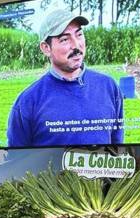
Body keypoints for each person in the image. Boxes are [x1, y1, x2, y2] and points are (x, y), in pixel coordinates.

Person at [7, 9, 124, 148]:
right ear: (46, 48)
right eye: (64, 39)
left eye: (79, 34)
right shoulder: (27, 102)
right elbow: (16, 161)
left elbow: (117, 149)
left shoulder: (108, 87)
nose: (76, 45)